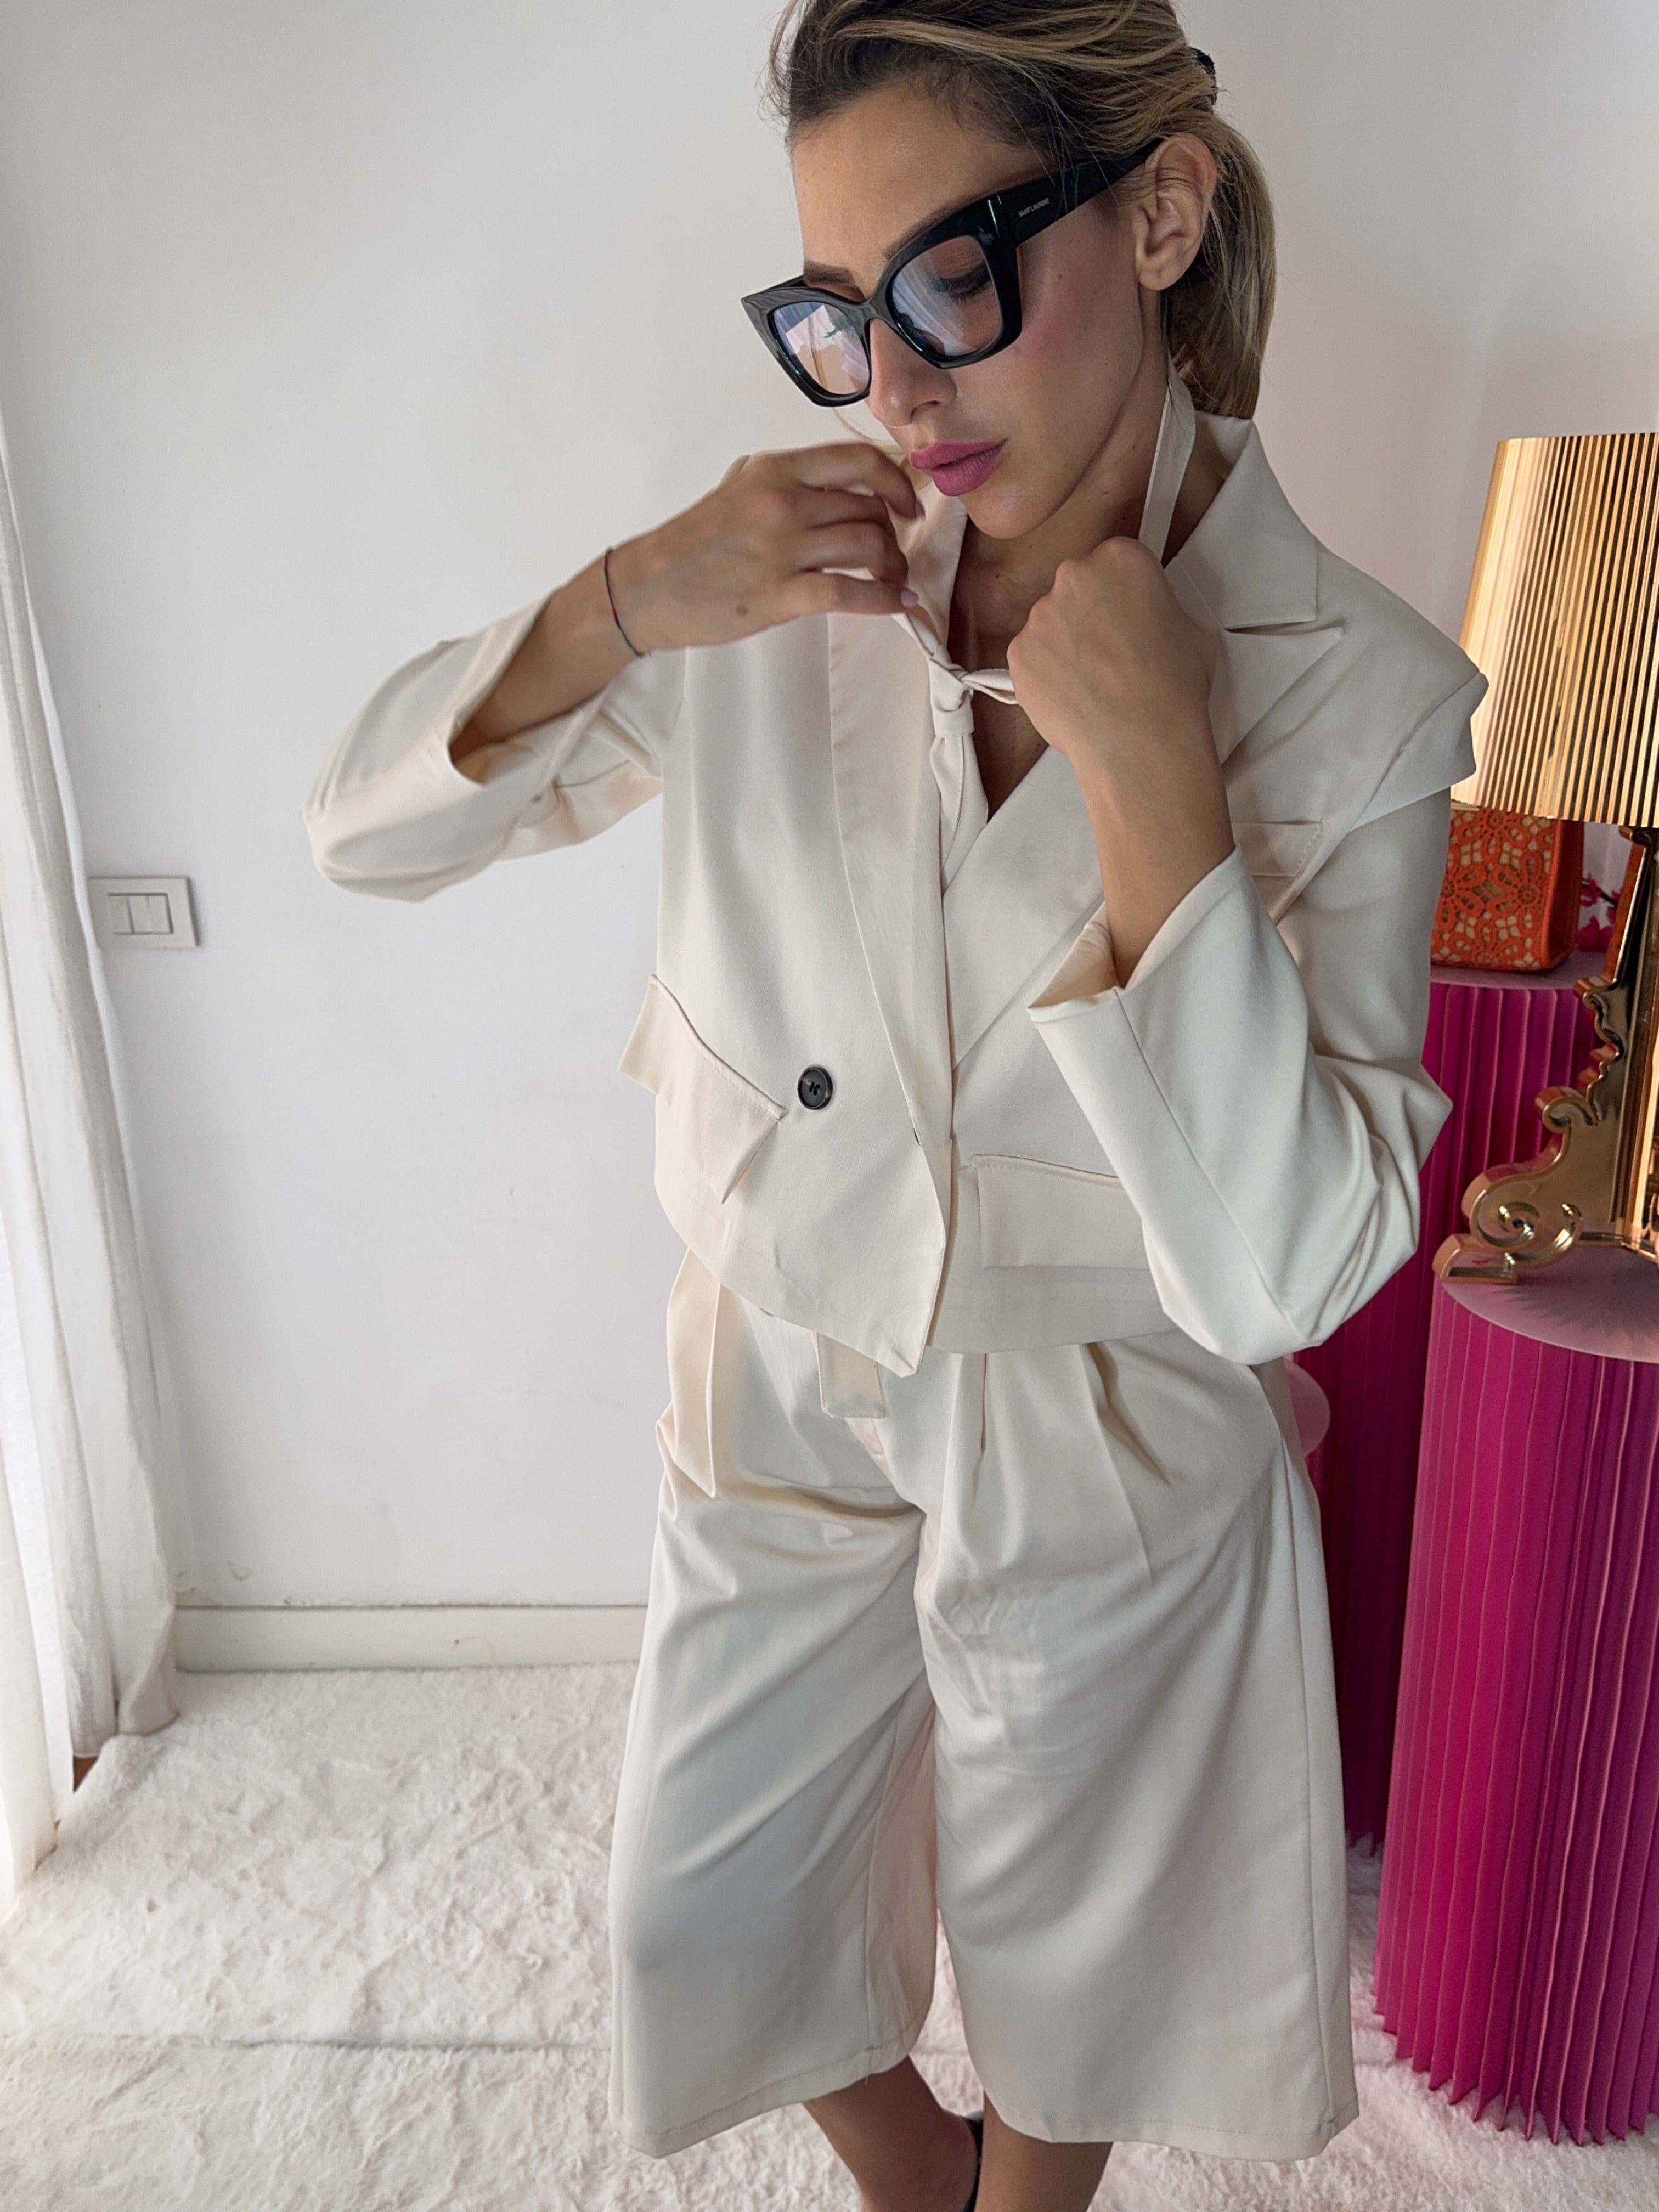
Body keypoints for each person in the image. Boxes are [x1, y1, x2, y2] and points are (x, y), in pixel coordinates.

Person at [306, 4, 1483, 2207]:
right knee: (711, 1915)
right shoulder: (774, 574)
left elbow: (1289, 1273)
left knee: (1081, 1977)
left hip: (1104, 1406)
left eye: (951, 276)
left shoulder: (1363, 690)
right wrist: (619, 605)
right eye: (841, 311)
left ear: (1162, 211)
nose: (896, 388)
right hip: (780, 1355)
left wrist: (1160, 791)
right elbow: (360, 834)